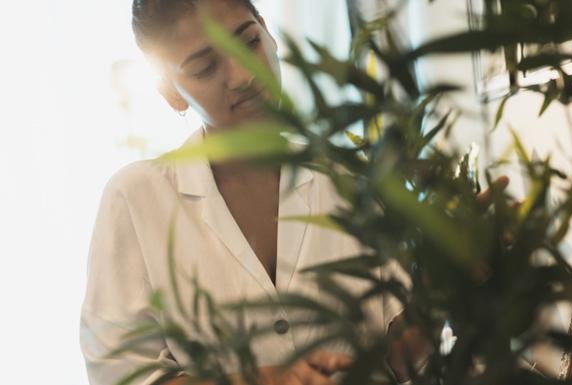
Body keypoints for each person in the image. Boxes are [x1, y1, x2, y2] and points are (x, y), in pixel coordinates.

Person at [80, 1, 421, 385]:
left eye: (249, 42)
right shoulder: (136, 199)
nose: (243, 74)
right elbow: (123, 377)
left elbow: (403, 359)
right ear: (170, 92)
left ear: (268, 32)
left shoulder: (353, 179)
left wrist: (454, 286)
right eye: (205, 67)